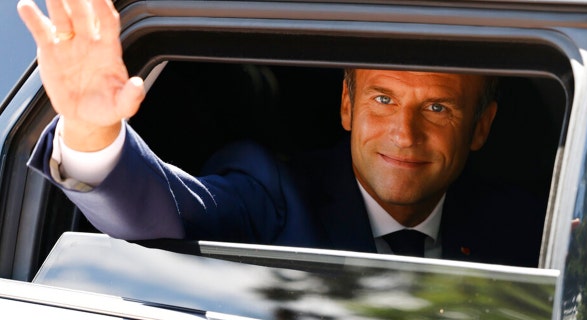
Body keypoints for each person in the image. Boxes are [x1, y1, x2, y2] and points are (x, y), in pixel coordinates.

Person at [18, 0, 545, 266]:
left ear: (481, 127)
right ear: (347, 104)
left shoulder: (520, 227)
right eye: (383, 100)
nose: (404, 134)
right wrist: (92, 132)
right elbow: (165, 218)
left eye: (436, 108)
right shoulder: (275, 192)